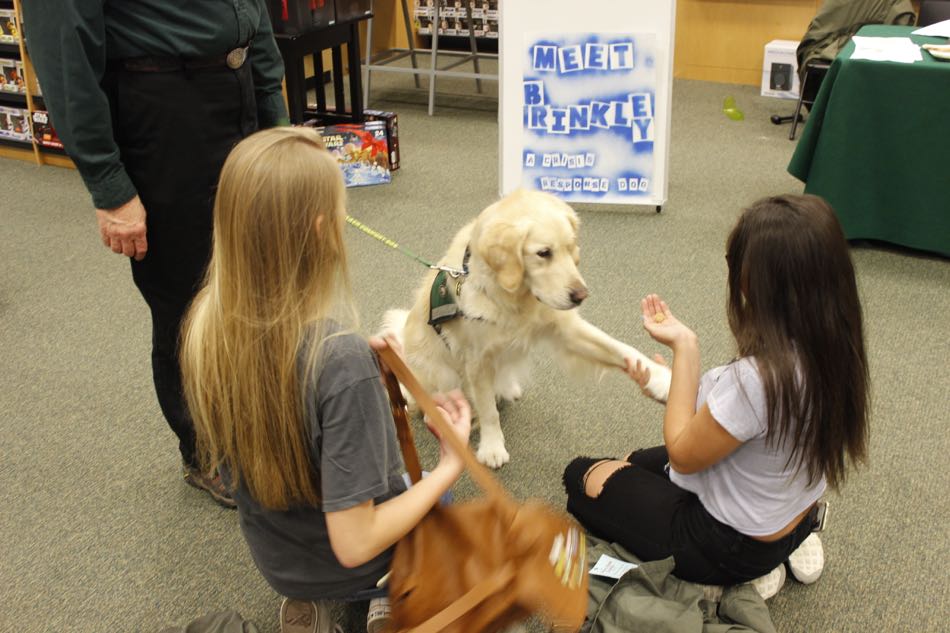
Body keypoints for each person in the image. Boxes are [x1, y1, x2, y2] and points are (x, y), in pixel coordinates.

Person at [179, 127, 472, 633]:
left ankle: (308, 606)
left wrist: (365, 379)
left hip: (279, 564)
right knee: (439, 500)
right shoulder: (337, 359)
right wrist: (451, 463)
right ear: (320, 232)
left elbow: (290, 414)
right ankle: (393, 593)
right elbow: (355, 541)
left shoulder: (207, 324)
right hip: (356, 559)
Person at [23, 1, 289, 506]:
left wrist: (276, 120)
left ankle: (257, 425)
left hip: (236, 93)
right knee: (186, 293)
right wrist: (109, 184)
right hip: (162, 108)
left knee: (258, 274)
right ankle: (205, 447)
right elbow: (64, 56)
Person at [564, 194, 869, 598]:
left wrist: (685, 346)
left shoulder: (759, 378)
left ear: (755, 285)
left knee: (582, 475)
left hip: (731, 545)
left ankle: (736, 576)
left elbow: (683, 454)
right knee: (632, 462)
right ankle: (795, 541)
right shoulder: (836, 345)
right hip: (794, 511)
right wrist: (670, 383)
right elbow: (736, 421)